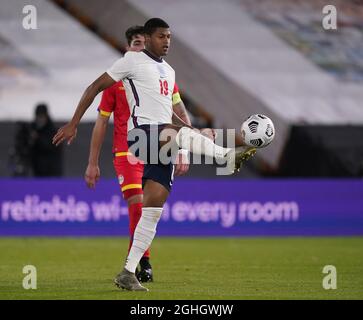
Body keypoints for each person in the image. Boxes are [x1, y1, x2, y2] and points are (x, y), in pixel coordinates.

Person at [53, 18, 256, 291]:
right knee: (181, 136)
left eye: (169, 36)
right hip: (141, 136)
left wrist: (194, 131)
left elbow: (169, 113)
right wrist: (74, 122)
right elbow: (93, 88)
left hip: (161, 142)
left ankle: (128, 271)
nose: (167, 41)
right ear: (148, 38)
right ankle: (226, 156)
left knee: (152, 211)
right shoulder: (131, 61)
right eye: (162, 36)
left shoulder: (169, 71)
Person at [84, 25, 191, 283]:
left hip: (156, 145)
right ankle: (143, 262)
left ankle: (134, 264)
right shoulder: (117, 79)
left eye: (144, 43)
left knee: (151, 208)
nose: (140, 48)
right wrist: (92, 162)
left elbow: (179, 111)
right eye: (136, 43)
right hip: (127, 151)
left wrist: (182, 148)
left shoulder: (162, 75)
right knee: (137, 204)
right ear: (127, 47)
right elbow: (101, 122)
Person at [30, 103, 63, 176]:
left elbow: (51, 147)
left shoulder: (53, 130)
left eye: (42, 116)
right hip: (37, 170)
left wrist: (38, 138)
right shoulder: (32, 128)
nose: (40, 119)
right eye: (38, 116)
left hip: (51, 171)